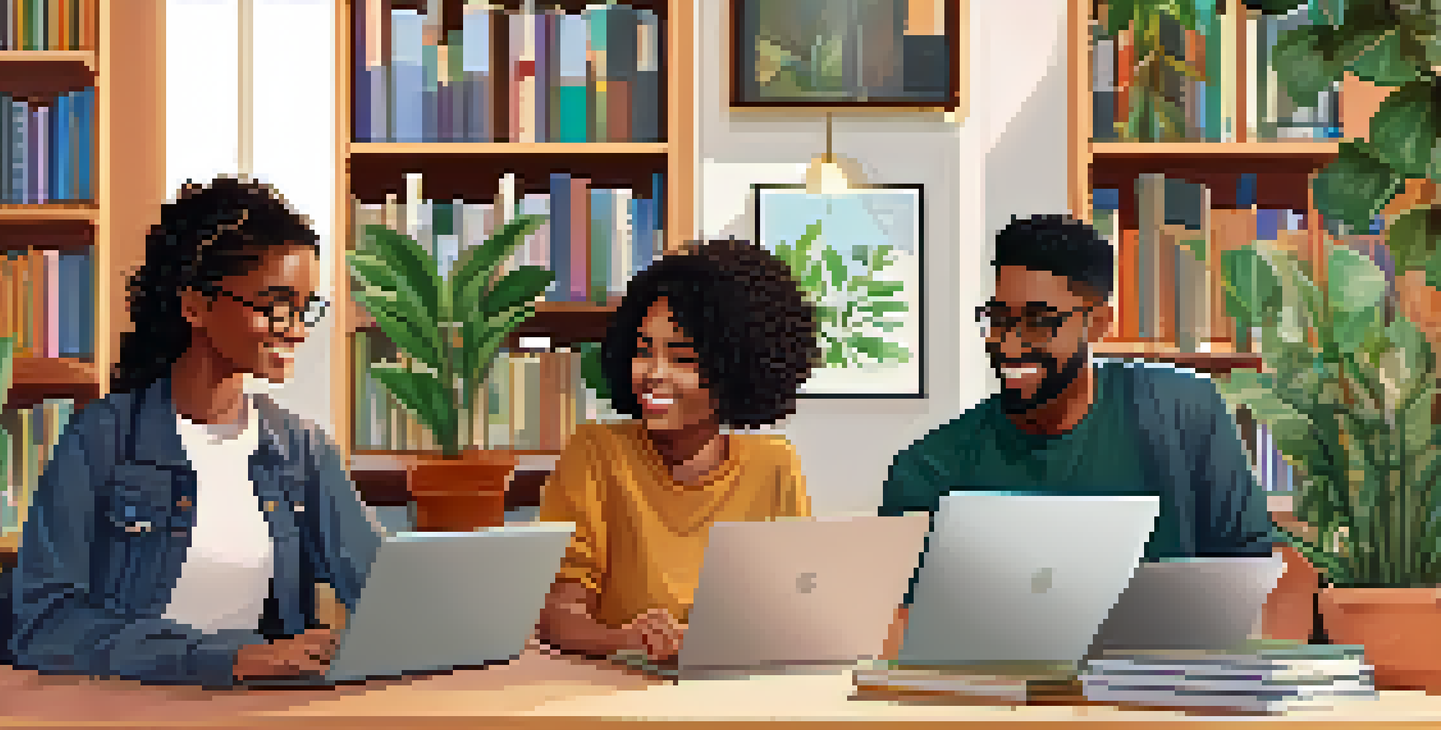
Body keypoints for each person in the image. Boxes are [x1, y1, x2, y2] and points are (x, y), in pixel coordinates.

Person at [877, 214, 1319, 658]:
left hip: (1165, 706)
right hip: (995, 713)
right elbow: (895, 629)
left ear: (1098, 323)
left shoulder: (1184, 411)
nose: (1008, 345)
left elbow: (1268, 571)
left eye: (1038, 322)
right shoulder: (931, 467)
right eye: (998, 319)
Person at [7, 177, 382, 687]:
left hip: (264, 717)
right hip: (124, 719)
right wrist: (225, 659)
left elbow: (384, 591)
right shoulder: (103, 439)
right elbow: (44, 624)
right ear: (196, 307)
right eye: (275, 304)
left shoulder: (301, 449)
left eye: (305, 308)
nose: (295, 329)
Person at [535, 239, 822, 664]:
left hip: (741, 689)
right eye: (643, 350)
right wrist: (627, 640)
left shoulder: (775, 463)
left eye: (682, 358)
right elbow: (558, 614)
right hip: (620, 691)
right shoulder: (597, 453)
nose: (654, 374)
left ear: (736, 368)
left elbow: (797, 606)